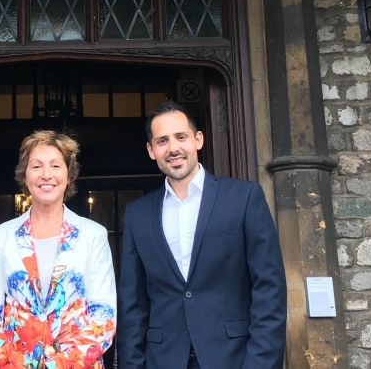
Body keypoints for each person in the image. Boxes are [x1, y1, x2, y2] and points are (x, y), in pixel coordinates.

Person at [118, 102, 287, 369]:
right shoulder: (137, 214)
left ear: (198, 139)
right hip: (163, 360)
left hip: (235, 358)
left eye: (181, 137)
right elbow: (132, 303)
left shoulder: (244, 198)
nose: (173, 148)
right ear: (151, 150)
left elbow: (269, 289)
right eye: (162, 141)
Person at [0, 130, 116, 369]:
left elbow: (103, 316)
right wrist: (13, 364)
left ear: (69, 175)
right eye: (37, 166)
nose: (46, 175)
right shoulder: (1, 236)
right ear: (25, 175)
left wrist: (58, 365)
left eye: (56, 166)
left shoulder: (93, 235)